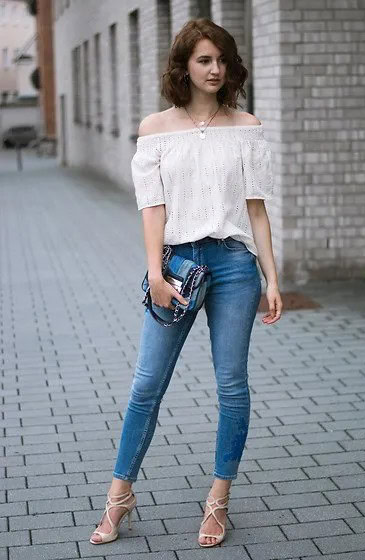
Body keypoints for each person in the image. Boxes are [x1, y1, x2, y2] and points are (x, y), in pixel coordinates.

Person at [90, 17, 282, 548]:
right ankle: (119, 496)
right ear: (184, 66)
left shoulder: (246, 125)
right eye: (204, 59)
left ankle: (218, 500)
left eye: (221, 59)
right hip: (176, 267)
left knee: (231, 386)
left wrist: (271, 277)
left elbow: (257, 210)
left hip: (235, 266)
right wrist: (154, 273)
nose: (215, 68)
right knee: (147, 384)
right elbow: (152, 209)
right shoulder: (155, 129)